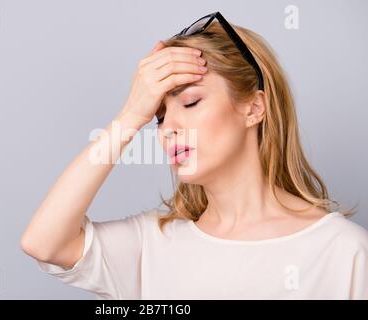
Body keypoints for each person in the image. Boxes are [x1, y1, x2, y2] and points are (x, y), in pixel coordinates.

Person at [20, 11, 368, 299]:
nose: (168, 127)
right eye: (158, 116)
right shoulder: (152, 246)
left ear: (253, 108)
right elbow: (44, 242)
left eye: (190, 102)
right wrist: (130, 116)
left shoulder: (344, 252)